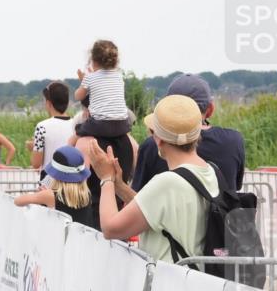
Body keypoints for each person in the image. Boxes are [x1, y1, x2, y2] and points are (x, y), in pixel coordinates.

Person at [88, 95, 214, 265]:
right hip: (199, 278)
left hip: (168, 279)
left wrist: (106, 179)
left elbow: (110, 229)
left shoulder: (167, 183)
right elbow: (151, 208)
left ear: (159, 139)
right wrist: (120, 186)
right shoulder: (210, 171)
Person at [132, 74, 246, 192]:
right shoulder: (234, 141)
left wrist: (119, 184)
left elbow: (138, 195)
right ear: (210, 109)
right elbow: (236, 186)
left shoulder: (154, 144)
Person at [14, 146, 96, 229]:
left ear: (56, 175)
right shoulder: (86, 195)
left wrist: (41, 195)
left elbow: (18, 201)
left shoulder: (49, 195)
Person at [72, 39, 132, 141]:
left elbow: (78, 96)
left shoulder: (90, 77)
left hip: (100, 125)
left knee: (73, 138)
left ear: (93, 61)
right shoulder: (119, 77)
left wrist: (83, 82)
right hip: (122, 124)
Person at [30, 82, 75, 180]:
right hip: (72, 179)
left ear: (49, 103)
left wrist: (32, 148)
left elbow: (36, 164)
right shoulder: (77, 125)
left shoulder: (42, 127)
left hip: (49, 179)